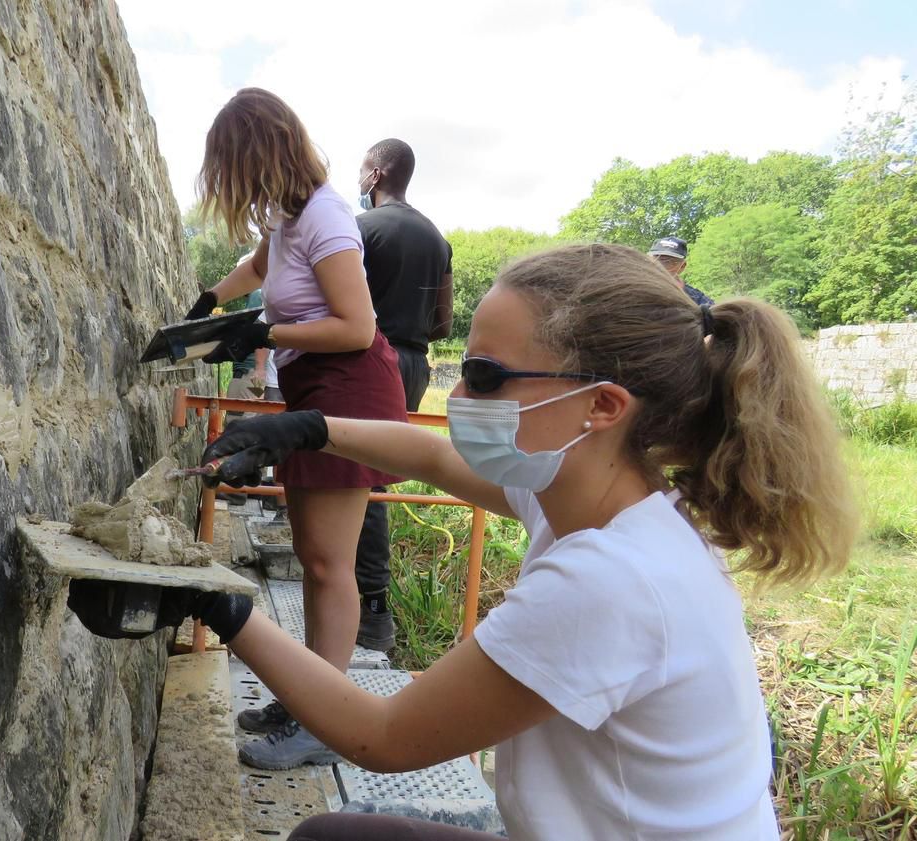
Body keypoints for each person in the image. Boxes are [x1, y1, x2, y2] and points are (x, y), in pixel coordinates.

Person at [70, 243, 857, 838]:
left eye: (483, 376)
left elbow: (383, 734)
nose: (461, 396)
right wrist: (307, 428)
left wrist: (223, 607)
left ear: (602, 405)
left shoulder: (614, 579)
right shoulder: (606, 495)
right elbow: (438, 454)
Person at [181, 88, 409, 769]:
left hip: (351, 386)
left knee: (329, 561)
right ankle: (309, 693)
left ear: (261, 155)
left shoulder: (327, 217)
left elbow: (357, 325)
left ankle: (326, 724)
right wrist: (211, 302)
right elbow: (259, 267)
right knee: (314, 554)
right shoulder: (287, 219)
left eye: (233, 167)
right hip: (316, 385)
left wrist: (261, 328)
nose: (232, 184)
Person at [353, 137, 454, 651]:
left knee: (360, 478)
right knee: (376, 476)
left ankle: (370, 608)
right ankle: (368, 603)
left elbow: (338, 304)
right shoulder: (437, 239)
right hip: (414, 363)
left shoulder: (362, 229)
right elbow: (445, 321)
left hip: (369, 358)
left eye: (363, 167)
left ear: (376, 174)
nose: (360, 175)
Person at [648, 235, 715, 305]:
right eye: (655, 260)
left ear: (682, 266)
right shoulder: (638, 291)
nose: (660, 266)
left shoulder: (699, 301)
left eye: (668, 262)